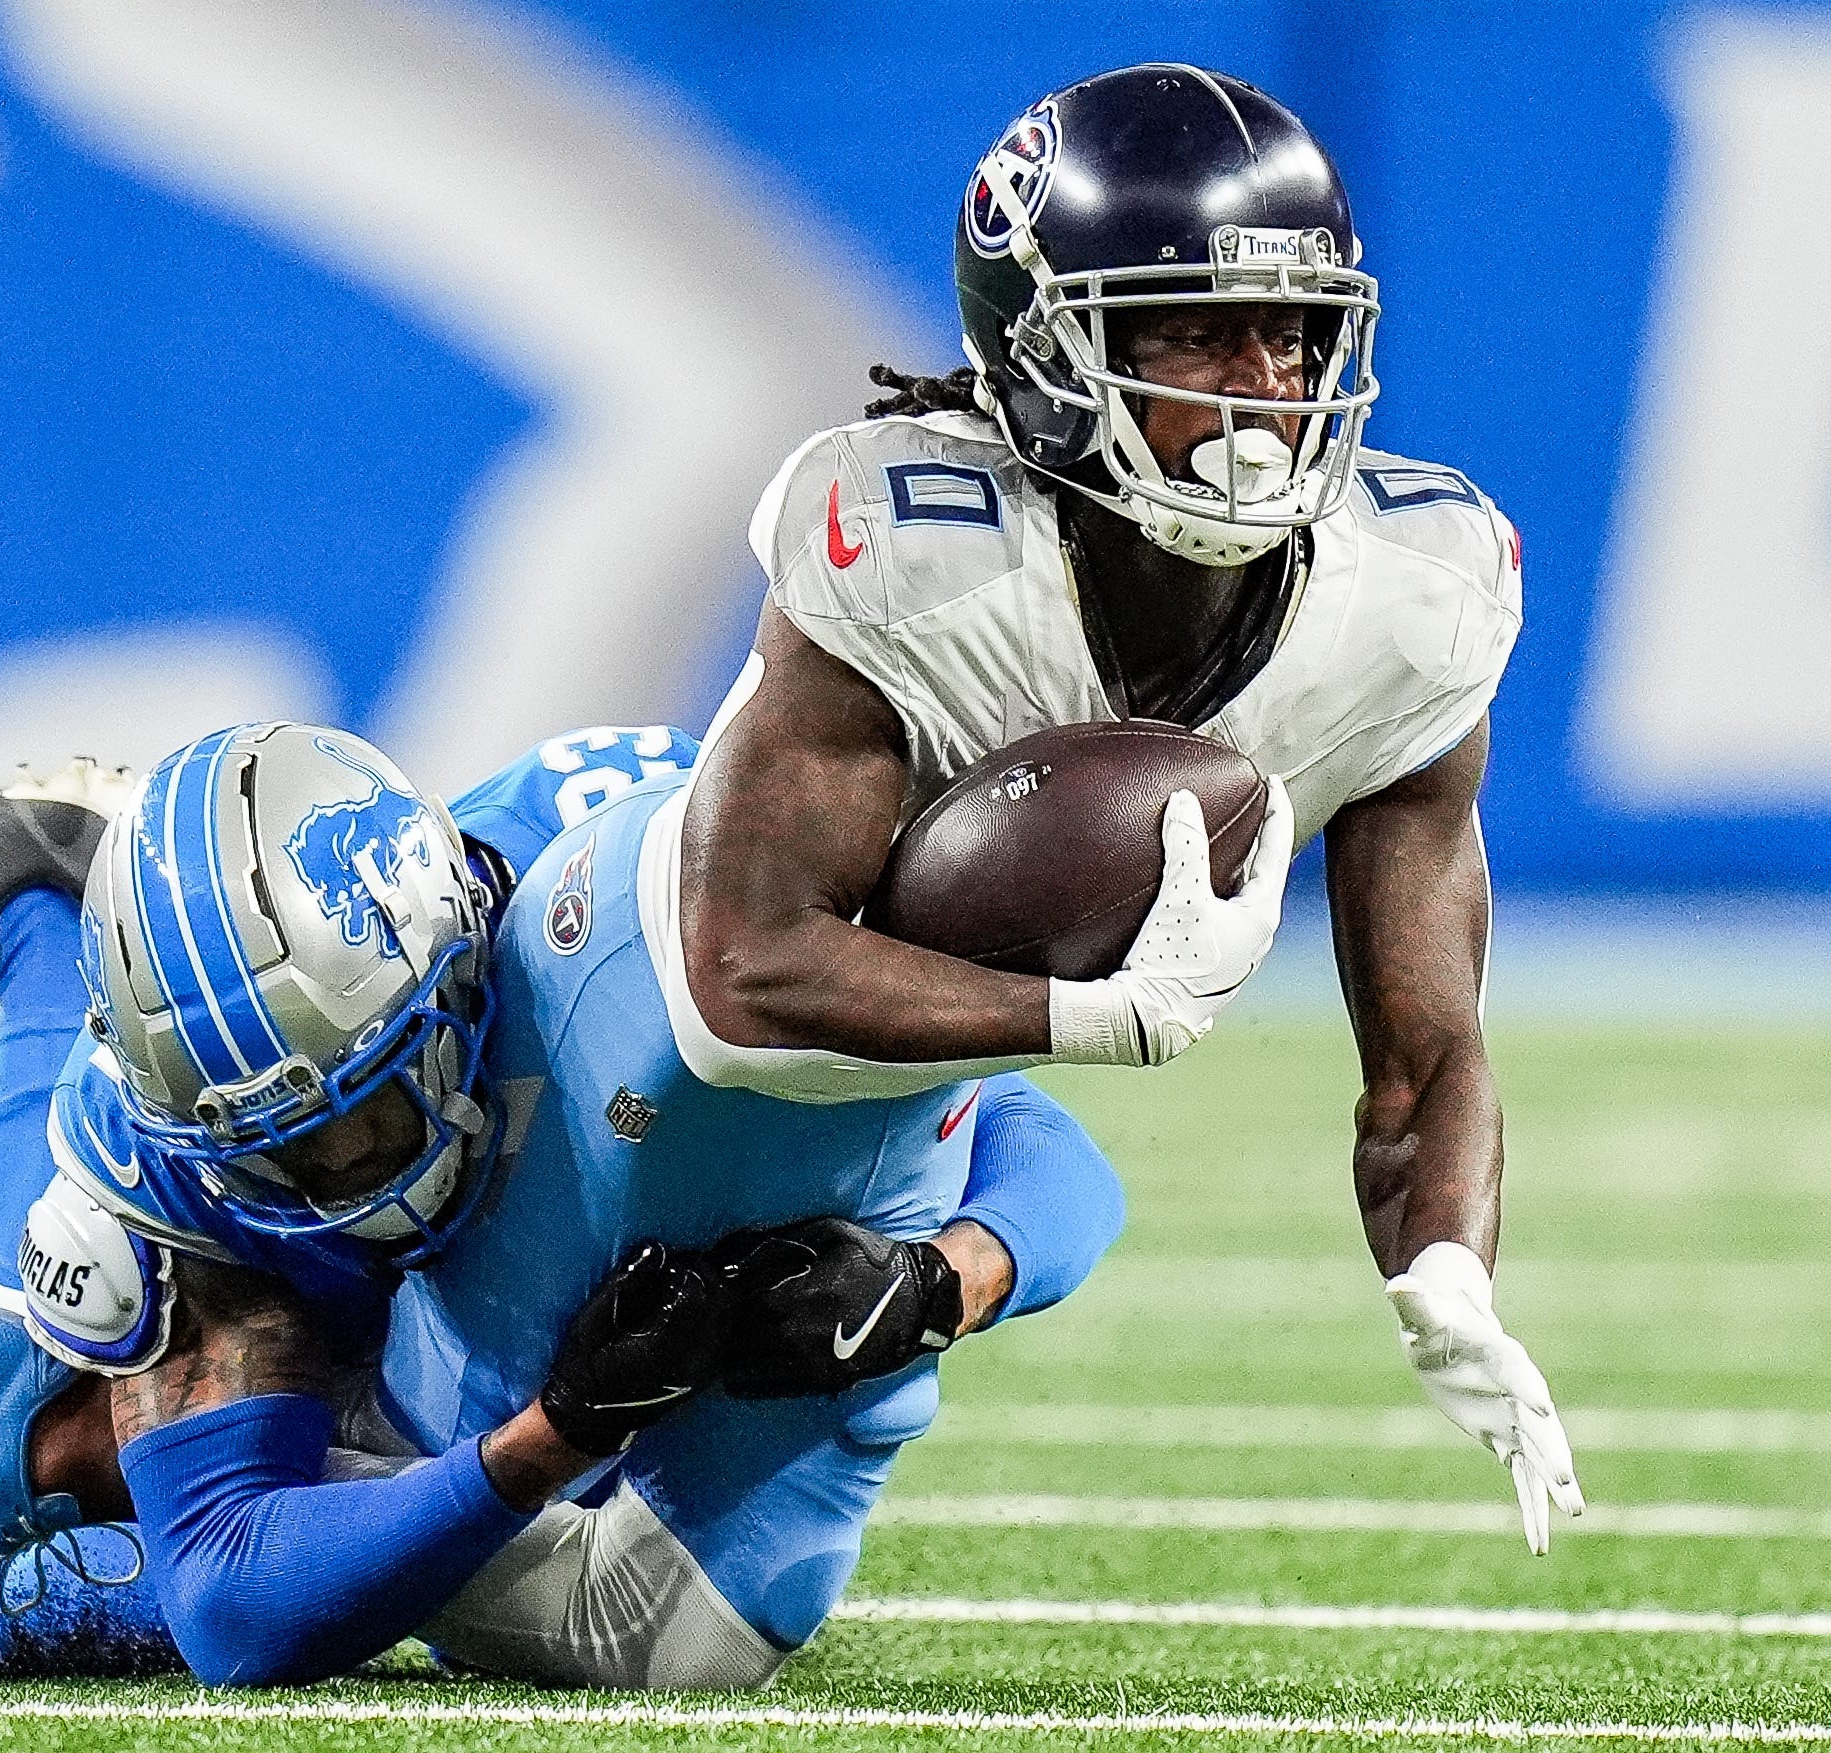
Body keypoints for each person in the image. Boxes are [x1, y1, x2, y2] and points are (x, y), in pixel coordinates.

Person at [665, 64, 1579, 1549]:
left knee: (685, 1628)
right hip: (634, 966)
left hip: (898, 1111)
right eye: (1197, 333)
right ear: (1037, 354)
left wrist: (1448, 1275)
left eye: (1292, 336)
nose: (1265, 388)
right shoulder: (920, 551)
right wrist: (1085, 1015)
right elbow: (739, 968)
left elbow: (1428, 1055)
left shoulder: (1418, 594)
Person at [0, 721, 1122, 1687]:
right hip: (468, 1331)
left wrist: (948, 1274)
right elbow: (231, 1594)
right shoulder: (190, 1126)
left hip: (584, 1258)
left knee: (142, 1549)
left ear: (451, 969)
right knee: (140, 1366)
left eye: (368, 1116)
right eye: (283, 1151)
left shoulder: (641, 949)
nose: (342, 1180)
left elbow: (1031, 1132)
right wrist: (543, 1433)